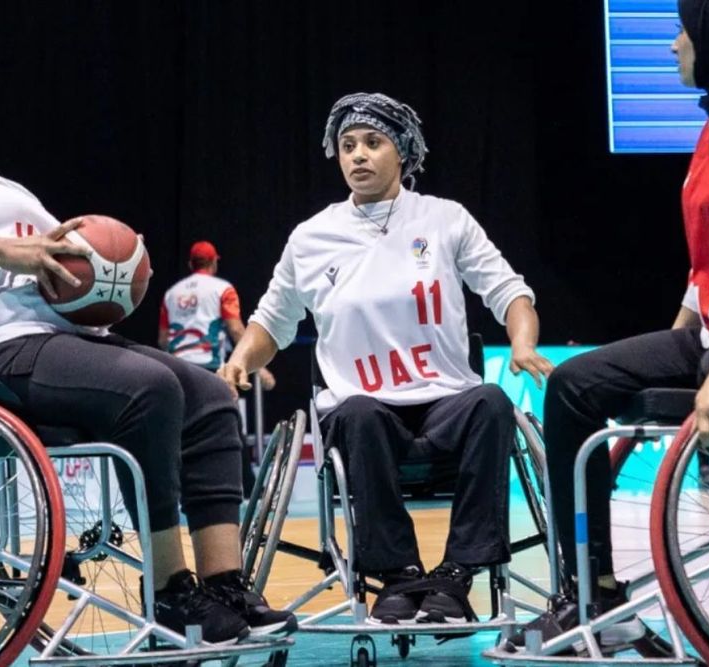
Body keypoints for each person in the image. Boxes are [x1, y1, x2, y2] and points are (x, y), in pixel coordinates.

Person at [0, 64, 295, 644]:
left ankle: (224, 584)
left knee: (209, 395)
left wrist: (112, 275)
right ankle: (171, 594)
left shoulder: (4, 187)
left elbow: (58, 280)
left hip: (47, 341)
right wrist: (14, 253)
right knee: (147, 388)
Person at [219, 92, 553, 625]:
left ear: (401, 152)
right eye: (348, 145)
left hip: (445, 401)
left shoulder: (445, 219)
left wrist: (523, 342)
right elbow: (272, 322)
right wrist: (240, 360)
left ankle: (457, 575)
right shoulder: (311, 237)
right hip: (363, 410)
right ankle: (396, 575)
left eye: (373, 143)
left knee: (491, 400)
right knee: (358, 411)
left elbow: (509, 292)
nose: (358, 156)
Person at [513, 0, 709, 646]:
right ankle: (595, 597)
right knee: (572, 384)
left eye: (683, 31)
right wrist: (674, 336)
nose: (673, 45)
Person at [159, 240, 274, 494]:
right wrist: (258, 367)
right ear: (213, 263)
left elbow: (163, 339)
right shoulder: (223, 289)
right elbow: (235, 328)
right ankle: (247, 487)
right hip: (210, 369)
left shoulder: (171, 294)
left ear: (191, 264)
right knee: (229, 426)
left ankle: (176, 490)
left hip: (176, 369)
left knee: (180, 431)